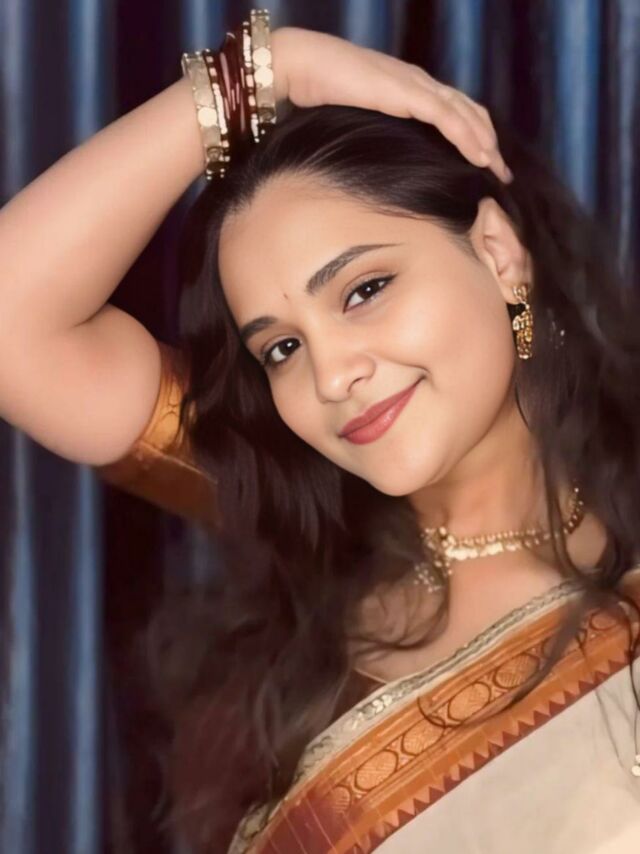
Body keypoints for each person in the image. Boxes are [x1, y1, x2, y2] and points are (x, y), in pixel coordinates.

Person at [1, 10, 639, 854]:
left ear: (496, 252)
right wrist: (269, 69)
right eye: (282, 348)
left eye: (364, 290)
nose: (332, 377)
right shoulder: (309, 520)